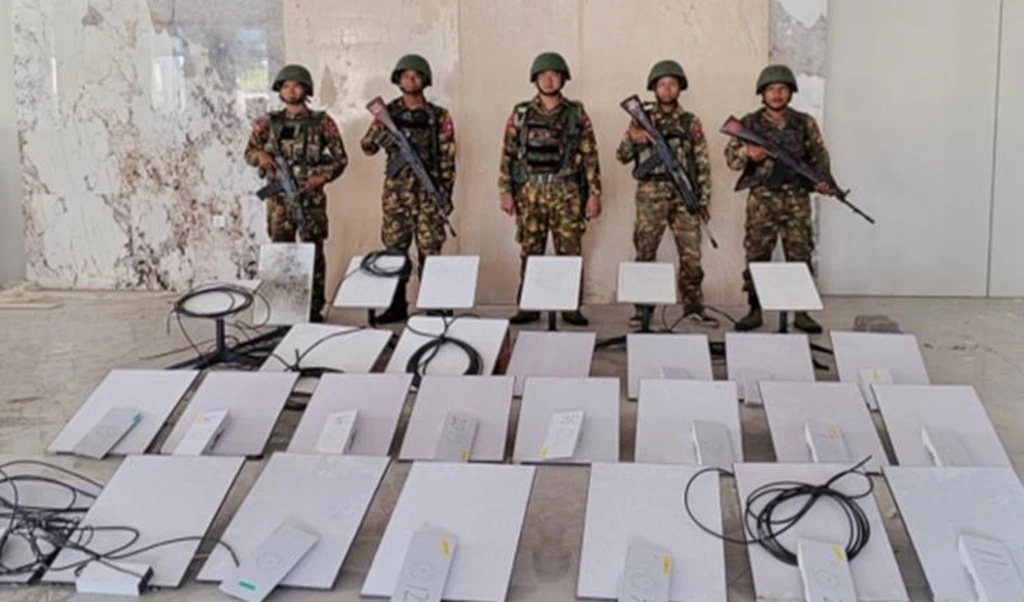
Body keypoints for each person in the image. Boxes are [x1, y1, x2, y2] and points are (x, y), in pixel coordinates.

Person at [724, 64, 836, 333]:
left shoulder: (804, 122)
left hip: (796, 199)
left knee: (800, 254)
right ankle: (755, 309)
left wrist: (824, 182)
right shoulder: (749, 123)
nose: (777, 94)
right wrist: (747, 154)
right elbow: (730, 159)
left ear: (790, 93)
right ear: (762, 93)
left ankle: (802, 312)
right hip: (762, 200)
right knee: (757, 254)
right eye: (771, 89)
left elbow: (819, 158)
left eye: (782, 89)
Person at [498, 52, 602, 326]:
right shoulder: (521, 113)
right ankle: (529, 305)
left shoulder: (575, 113)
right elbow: (508, 154)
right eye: (543, 75)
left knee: (569, 250)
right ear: (535, 79)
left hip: (566, 192)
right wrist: (505, 191)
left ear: (563, 78)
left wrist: (594, 193)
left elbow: (590, 154)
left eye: (554, 74)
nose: (548, 78)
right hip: (530, 193)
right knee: (530, 249)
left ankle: (570, 306)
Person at [616, 59, 717, 327]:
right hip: (650, 194)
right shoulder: (641, 119)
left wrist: (703, 200)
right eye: (662, 84)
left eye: (673, 84)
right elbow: (621, 156)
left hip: (683, 196)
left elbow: (702, 162)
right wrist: (632, 138)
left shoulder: (689, 121)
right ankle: (642, 310)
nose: (668, 89)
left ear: (680, 88)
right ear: (654, 88)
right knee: (645, 251)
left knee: (691, 254)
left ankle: (693, 306)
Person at [245, 64, 348, 323]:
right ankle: (284, 307)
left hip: (310, 200)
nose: (291, 90)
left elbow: (340, 158)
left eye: (297, 85)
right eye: (286, 85)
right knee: (281, 251)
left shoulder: (323, 123)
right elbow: (249, 153)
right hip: (279, 202)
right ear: (280, 90)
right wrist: (262, 156)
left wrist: (320, 177)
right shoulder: (266, 123)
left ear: (306, 89)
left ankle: (313, 308)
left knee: (313, 250)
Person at [362, 54, 456, 324]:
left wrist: (444, 196)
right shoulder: (386, 113)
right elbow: (367, 147)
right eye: (405, 75)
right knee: (394, 252)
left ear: (425, 80)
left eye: (416, 75)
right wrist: (384, 136)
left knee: (431, 251)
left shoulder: (439, 116)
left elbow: (449, 158)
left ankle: (434, 305)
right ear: (398, 80)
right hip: (396, 196)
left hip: (429, 194)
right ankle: (396, 305)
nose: (410, 80)